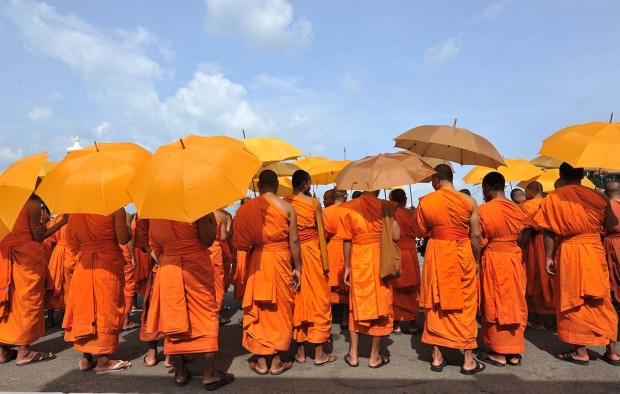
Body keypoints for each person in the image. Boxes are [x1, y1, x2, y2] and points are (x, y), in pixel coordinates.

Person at [534, 163, 619, 366]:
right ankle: (613, 351)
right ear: (582, 175)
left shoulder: (554, 197)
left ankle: (580, 351)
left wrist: (548, 257)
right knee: (600, 297)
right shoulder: (599, 197)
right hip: (593, 250)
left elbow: (548, 230)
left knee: (573, 299)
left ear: (561, 175)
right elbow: (612, 225)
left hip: (570, 251)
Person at [146, 212, 234, 389]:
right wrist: (209, 218)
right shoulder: (196, 208)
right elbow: (208, 240)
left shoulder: (155, 214)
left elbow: (155, 247)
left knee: (173, 316)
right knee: (206, 314)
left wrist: (170, 258)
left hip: (169, 268)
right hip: (196, 265)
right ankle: (210, 374)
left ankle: (180, 372)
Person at [414, 164, 484, 375]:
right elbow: (476, 236)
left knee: (436, 302)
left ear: (435, 180)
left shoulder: (426, 201)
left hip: (437, 253)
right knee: (465, 302)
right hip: (461, 253)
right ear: (452, 178)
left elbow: (419, 230)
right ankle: (468, 360)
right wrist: (477, 260)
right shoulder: (469, 200)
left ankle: (437, 357)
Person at [233, 170, 302, 375]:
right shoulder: (287, 207)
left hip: (259, 260)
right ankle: (277, 361)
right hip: (281, 259)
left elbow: (239, 244)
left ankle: (262, 362)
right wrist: (297, 267)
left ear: (259, 185)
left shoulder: (247, 208)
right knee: (279, 308)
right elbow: (295, 241)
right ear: (277, 184)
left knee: (260, 309)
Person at [62, 208, 132, 373]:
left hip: (84, 264)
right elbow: (123, 238)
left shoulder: (74, 212)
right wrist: (128, 228)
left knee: (85, 308)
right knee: (106, 309)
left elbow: (72, 244)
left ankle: (87, 358)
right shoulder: (115, 207)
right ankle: (104, 361)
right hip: (107, 264)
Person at [0, 195, 67, 365]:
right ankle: (24, 352)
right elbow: (38, 236)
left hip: (4, 257)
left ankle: (2, 351)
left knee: (7, 301)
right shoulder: (31, 205)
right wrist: (62, 222)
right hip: (25, 259)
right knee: (26, 302)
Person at [339, 190, 399, 368]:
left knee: (357, 306)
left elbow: (347, 240)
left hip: (359, 260)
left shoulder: (349, 208)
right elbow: (396, 236)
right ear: (379, 188)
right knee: (381, 305)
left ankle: (353, 355)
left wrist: (347, 267)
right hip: (381, 261)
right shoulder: (386, 207)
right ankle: (374, 357)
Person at [476, 172, 527, 367]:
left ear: (487, 188)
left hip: (494, 259)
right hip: (514, 259)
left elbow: (479, 239)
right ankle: (514, 352)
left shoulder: (483, 210)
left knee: (496, 303)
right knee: (514, 300)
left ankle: (498, 352)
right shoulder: (518, 209)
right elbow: (522, 236)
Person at [284, 170, 335, 366]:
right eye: (310, 183)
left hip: (292, 253)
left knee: (298, 299)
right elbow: (321, 230)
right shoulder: (313, 203)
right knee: (319, 299)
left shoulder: (285, 202)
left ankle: (301, 353)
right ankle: (320, 353)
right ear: (305, 184)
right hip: (312, 252)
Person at [520, 181, 555, 331]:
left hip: (537, 242)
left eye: (526, 191)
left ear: (533, 190)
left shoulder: (529, 205)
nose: (525, 194)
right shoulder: (551, 202)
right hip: (553, 241)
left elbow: (527, 228)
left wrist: (521, 245)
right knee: (551, 278)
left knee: (536, 278)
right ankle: (553, 320)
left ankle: (540, 321)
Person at [388, 189, 421, 335]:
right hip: (411, 252)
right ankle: (413, 323)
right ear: (405, 198)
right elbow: (421, 232)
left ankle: (396, 324)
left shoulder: (392, 213)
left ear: (391, 199)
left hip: (396, 251)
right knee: (413, 289)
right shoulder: (413, 214)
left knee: (395, 287)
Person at [323, 189, 349, 327]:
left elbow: (324, 233)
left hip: (332, 247)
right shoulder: (351, 210)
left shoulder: (327, 212)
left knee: (329, 284)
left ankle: (328, 315)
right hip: (348, 248)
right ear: (345, 196)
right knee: (347, 284)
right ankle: (345, 318)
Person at [210, 209, 230, 326]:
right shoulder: (222, 215)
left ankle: (203, 313)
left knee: (204, 283)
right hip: (216, 250)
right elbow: (223, 237)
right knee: (217, 283)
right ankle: (216, 314)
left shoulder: (200, 214)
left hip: (203, 251)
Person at [120, 213, 139, 331]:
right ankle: (126, 320)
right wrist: (132, 256)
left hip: (108, 251)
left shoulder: (97, 214)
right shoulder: (123, 213)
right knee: (128, 284)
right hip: (123, 251)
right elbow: (127, 237)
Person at [604, 181, 620, 306]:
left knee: (613, 277)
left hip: (612, 244)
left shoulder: (607, 207)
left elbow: (602, 228)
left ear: (605, 193)